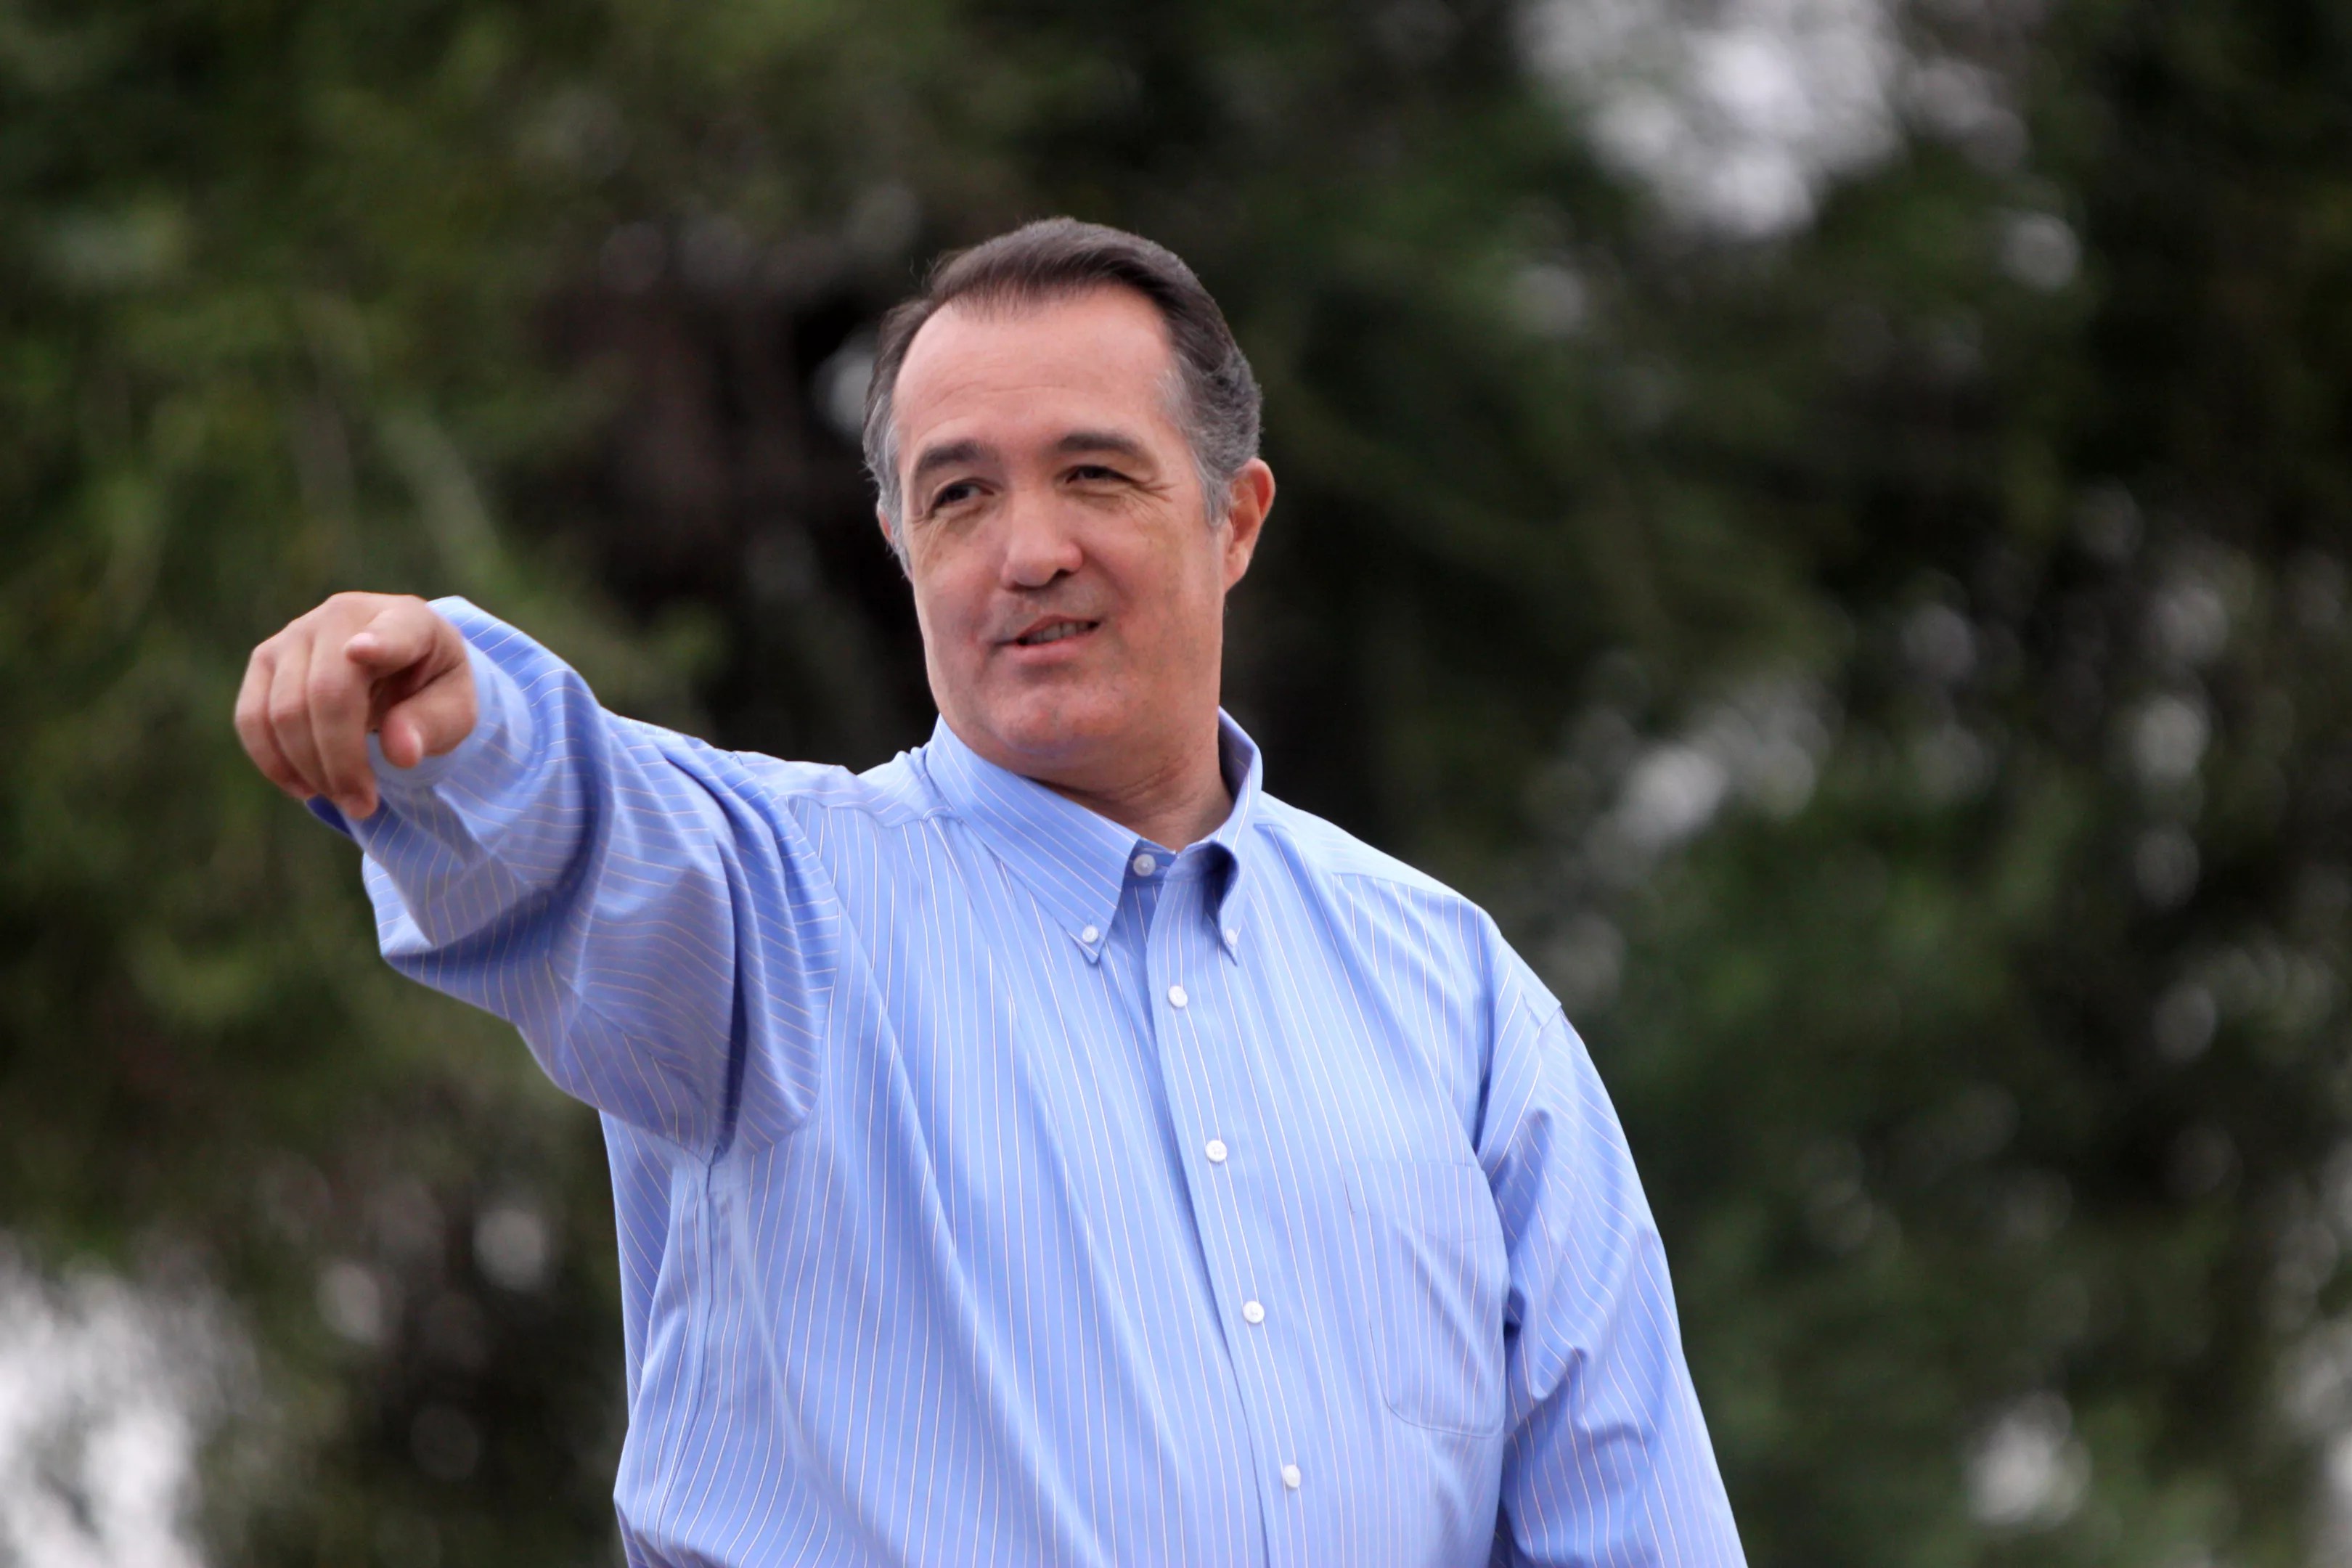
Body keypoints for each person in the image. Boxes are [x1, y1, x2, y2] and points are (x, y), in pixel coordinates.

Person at [234, 218, 1745, 1567]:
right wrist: (453, 719)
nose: (1029, 552)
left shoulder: (1455, 995)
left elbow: (1628, 1513)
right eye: (960, 496)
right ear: (902, 546)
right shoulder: (765, 910)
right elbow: (577, 825)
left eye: (1095, 474)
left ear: (1234, 519)